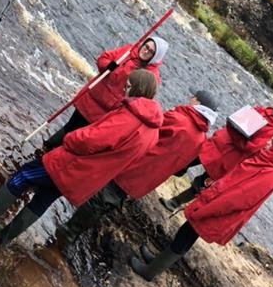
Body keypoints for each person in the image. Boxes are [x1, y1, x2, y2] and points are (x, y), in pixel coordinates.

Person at [0, 69, 163, 246]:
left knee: (23, 176)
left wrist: (69, 138)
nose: (124, 90)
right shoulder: (152, 131)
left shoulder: (130, 118)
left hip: (72, 163)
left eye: (128, 86)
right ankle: (3, 240)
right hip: (87, 177)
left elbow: (92, 140)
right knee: (44, 199)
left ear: (139, 90)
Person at [130, 126, 273, 282]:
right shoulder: (264, 162)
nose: (269, 141)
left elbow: (238, 199)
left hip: (216, 210)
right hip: (213, 202)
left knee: (185, 237)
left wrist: (208, 206)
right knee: (185, 234)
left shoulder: (270, 174)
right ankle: (156, 261)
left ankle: (150, 271)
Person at [55, 90, 218, 245]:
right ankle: (73, 233)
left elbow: (148, 134)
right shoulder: (202, 139)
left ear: (198, 103)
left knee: (100, 199)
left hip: (135, 166)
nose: (190, 98)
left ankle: (68, 233)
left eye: (193, 97)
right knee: (108, 202)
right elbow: (180, 169)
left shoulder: (178, 118)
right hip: (148, 179)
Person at [161, 95, 273, 212]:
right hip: (221, 142)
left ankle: (175, 202)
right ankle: (162, 175)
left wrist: (236, 133)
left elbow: (251, 148)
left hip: (232, 158)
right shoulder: (264, 110)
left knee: (202, 183)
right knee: (187, 158)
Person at [43, 33, 169, 149]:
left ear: (155, 57)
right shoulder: (128, 51)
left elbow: (139, 100)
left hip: (106, 113)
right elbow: (103, 59)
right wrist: (108, 65)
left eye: (151, 51)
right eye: (146, 46)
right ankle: (46, 150)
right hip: (91, 99)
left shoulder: (150, 76)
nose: (146, 51)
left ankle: (50, 156)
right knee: (70, 127)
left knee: (79, 138)